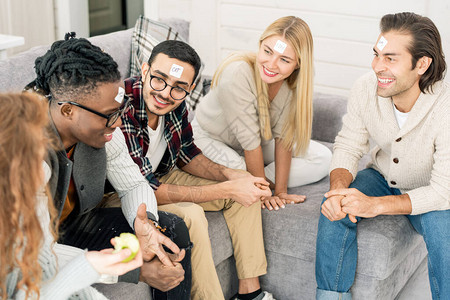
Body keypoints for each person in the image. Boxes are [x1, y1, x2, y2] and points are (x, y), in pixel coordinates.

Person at [25, 33, 191, 299]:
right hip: (25, 249)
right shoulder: (26, 154)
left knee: (168, 234)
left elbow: (133, 184)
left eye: (121, 109)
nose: (117, 122)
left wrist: (146, 224)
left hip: (71, 225)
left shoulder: (100, 127)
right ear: (68, 110)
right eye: (109, 115)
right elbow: (34, 254)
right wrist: (134, 270)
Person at [118, 39, 275, 300]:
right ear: (145, 70)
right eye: (159, 79)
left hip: (161, 174)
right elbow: (143, 188)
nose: (166, 93)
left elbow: (187, 153)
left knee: (244, 188)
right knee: (190, 214)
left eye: (179, 88)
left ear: (190, 88)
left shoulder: (175, 104)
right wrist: (225, 187)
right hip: (121, 192)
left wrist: (232, 175)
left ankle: (250, 293)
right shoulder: (125, 106)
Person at [315, 12, 449, 300]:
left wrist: (375, 206)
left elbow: (443, 191)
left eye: (391, 58)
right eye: (376, 55)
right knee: (334, 208)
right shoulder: (365, 87)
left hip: (431, 190)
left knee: (446, 235)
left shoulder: (446, 105)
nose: (377, 66)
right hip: (381, 175)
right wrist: (338, 190)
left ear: (422, 64)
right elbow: (349, 145)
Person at [1, 92, 143, 300]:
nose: (46, 163)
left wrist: (90, 268)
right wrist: (87, 267)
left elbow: (42, 279)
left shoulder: (28, 208)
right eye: (34, 152)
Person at [192, 16, 332, 211]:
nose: (271, 64)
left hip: (257, 141)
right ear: (260, 45)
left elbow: (284, 139)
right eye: (267, 51)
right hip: (210, 137)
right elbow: (251, 144)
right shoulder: (237, 74)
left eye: (284, 59)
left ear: (298, 64)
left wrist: (281, 191)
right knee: (241, 169)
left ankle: (251, 180)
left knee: (323, 158)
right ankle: (249, 180)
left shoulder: (295, 82)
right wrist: (264, 193)